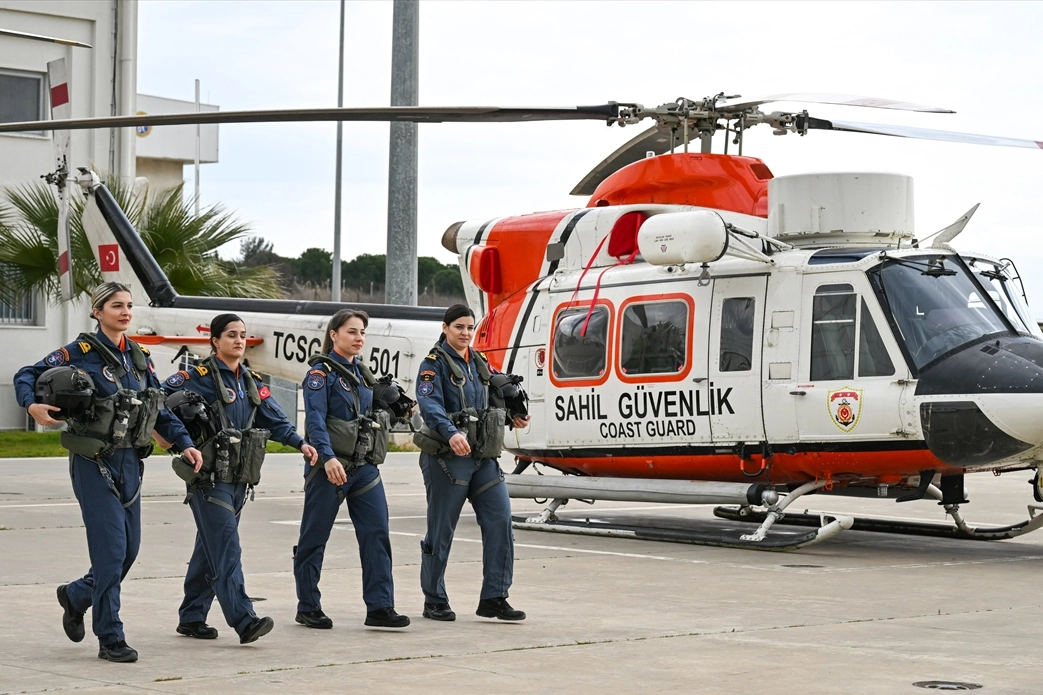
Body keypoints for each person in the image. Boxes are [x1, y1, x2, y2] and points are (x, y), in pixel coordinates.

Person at [14, 282, 203, 663]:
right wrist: (31, 405)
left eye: (129, 305)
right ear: (98, 312)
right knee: (111, 551)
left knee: (128, 552)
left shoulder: (139, 358)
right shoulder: (80, 353)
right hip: (93, 462)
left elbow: (159, 408)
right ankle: (110, 635)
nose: (125, 312)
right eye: (116, 305)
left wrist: (184, 443)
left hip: (131, 463)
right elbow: (27, 373)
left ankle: (76, 595)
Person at [163, 313, 318, 644]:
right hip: (208, 478)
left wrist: (301, 443)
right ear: (215, 341)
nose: (238, 340)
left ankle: (191, 616)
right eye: (231, 334)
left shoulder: (249, 380)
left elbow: (275, 419)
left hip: (239, 477)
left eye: (243, 335)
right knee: (227, 548)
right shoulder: (198, 376)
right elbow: (160, 401)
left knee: (211, 548)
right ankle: (244, 619)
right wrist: (174, 439)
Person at [293, 309, 410, 629]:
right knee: (314, 537)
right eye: (352, 332)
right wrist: (327, 458)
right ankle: (308, 605)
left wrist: (397, 408)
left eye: (362, 333)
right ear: (334, 335)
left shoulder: (363, 374)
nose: (359, 338)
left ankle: (380, 606)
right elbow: (315, 421)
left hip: (364, 467)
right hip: (329, 467)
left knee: (376, 534)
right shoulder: (320, 374)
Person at [414, 304, 530, 622]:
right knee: (441, 532)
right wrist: (450, 433)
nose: (465, 333)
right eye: (458, 327)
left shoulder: (479, 364)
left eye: (469, 327)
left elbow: (490, 400)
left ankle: (495, 596)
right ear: (445, 328)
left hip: (483, 460)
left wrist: (512, 416)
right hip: (448, 461)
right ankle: (434, 598)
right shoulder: (432, 366)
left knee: (500, 523)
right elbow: (429, 405)